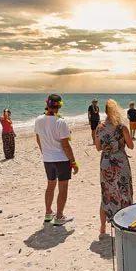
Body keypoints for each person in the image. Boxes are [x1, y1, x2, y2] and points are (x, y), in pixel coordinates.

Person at [34, 94, 78, 226]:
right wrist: (73, 162)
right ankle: (59, 216)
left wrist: (44, 152)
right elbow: (65, 145)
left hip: (47, 158)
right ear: (59, 106)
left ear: (47, 104)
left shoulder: (38, 119)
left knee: (50, 185)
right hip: (61, 159)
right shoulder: (60, 122)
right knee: (63, 187)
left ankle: (48, 212)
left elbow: (38, 138)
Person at [96, 99, 134, 234]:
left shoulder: (99, 127)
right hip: (120, 161)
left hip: (106, 162)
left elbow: (98, 148)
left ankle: (103, 227)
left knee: (106, 192)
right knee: (124, 191)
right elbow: (131, 146)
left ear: (105, 112)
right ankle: (124, 223)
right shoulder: (122, 127)